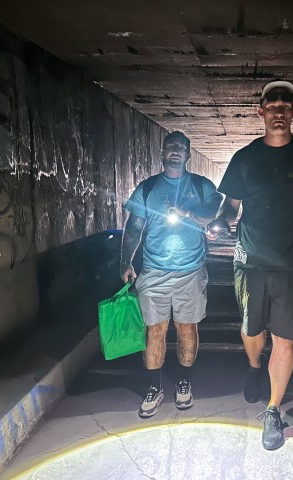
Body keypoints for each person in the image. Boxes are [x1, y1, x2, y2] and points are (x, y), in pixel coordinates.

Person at [207, 80, 293, 450]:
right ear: (260, 111)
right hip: (250, 261)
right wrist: (220, 221)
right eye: (272, 105)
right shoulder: (245, 159)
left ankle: (274, 410)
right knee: (252, 332)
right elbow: (230, 207)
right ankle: (253, 368)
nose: (279, 111)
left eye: (286, 105)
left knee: (285, 339)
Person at [120, 131, 222, 418]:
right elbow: (134, 227)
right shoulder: (148, 188)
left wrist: (187, 212)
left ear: (189, 155)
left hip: (190, 271)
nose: (176, 151)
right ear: (162, 153)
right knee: (155, 331)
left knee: (187, 328)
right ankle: (154, 387)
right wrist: (125, 261)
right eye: (171, 147)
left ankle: (184, 382)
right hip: (153, 272)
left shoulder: (203, 186)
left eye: (181, 148)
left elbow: (215, 214)